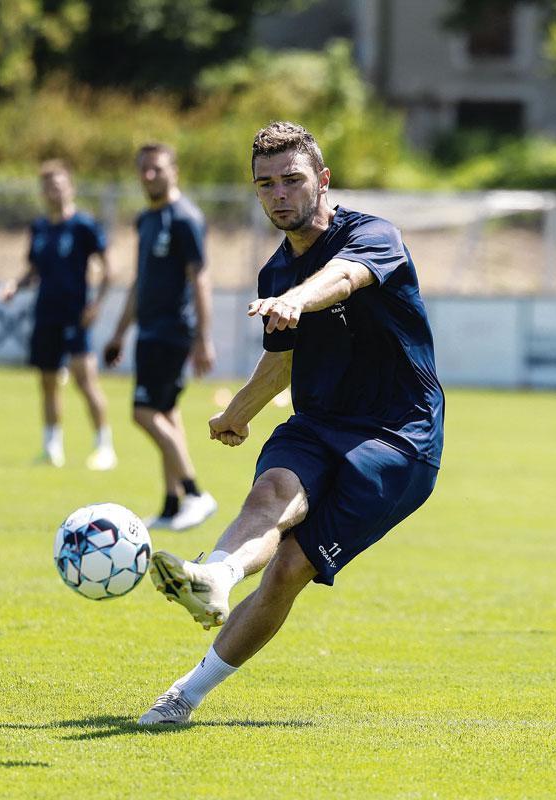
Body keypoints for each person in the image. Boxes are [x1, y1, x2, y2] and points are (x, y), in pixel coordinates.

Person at [137, 121, 445, 726]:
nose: (280, 194)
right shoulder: (274, 275)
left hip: (397, 436)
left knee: (289, 568)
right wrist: (237, 414)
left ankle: (189, 688)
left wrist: (301, 299)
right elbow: (281, 365)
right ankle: (215, 577)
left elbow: (347, 277)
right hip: (319, 420)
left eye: (293, 180)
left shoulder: (373, 236)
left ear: (322, 180)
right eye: (266, 184)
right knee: (272, 490)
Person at [104, 143, 217, 531]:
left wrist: (204, 337)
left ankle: (196, 493)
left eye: (157, 169)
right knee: (167, 413)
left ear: (175, 171)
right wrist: (120, 332)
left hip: (172, 331)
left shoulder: (185, 218)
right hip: (149, 332)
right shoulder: (146, 220)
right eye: (143, 170)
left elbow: (200, 277)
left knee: (144, 413)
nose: (149, 176)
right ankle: (171, 505)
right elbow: (140, 281)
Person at [0, 159, 117, 470]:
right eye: (49, 187)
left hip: (75, 315)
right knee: (47, 382)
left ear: (71, 188)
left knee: (85, 380)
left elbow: (109, 271)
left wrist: (97, 305)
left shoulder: (84, 226)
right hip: (45, 315)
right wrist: (15, 285)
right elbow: (34, 270)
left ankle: (104, 446)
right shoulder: (39, 228)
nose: (55, 192)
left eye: (60, 186)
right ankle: (52, 448)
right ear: (43, 192)